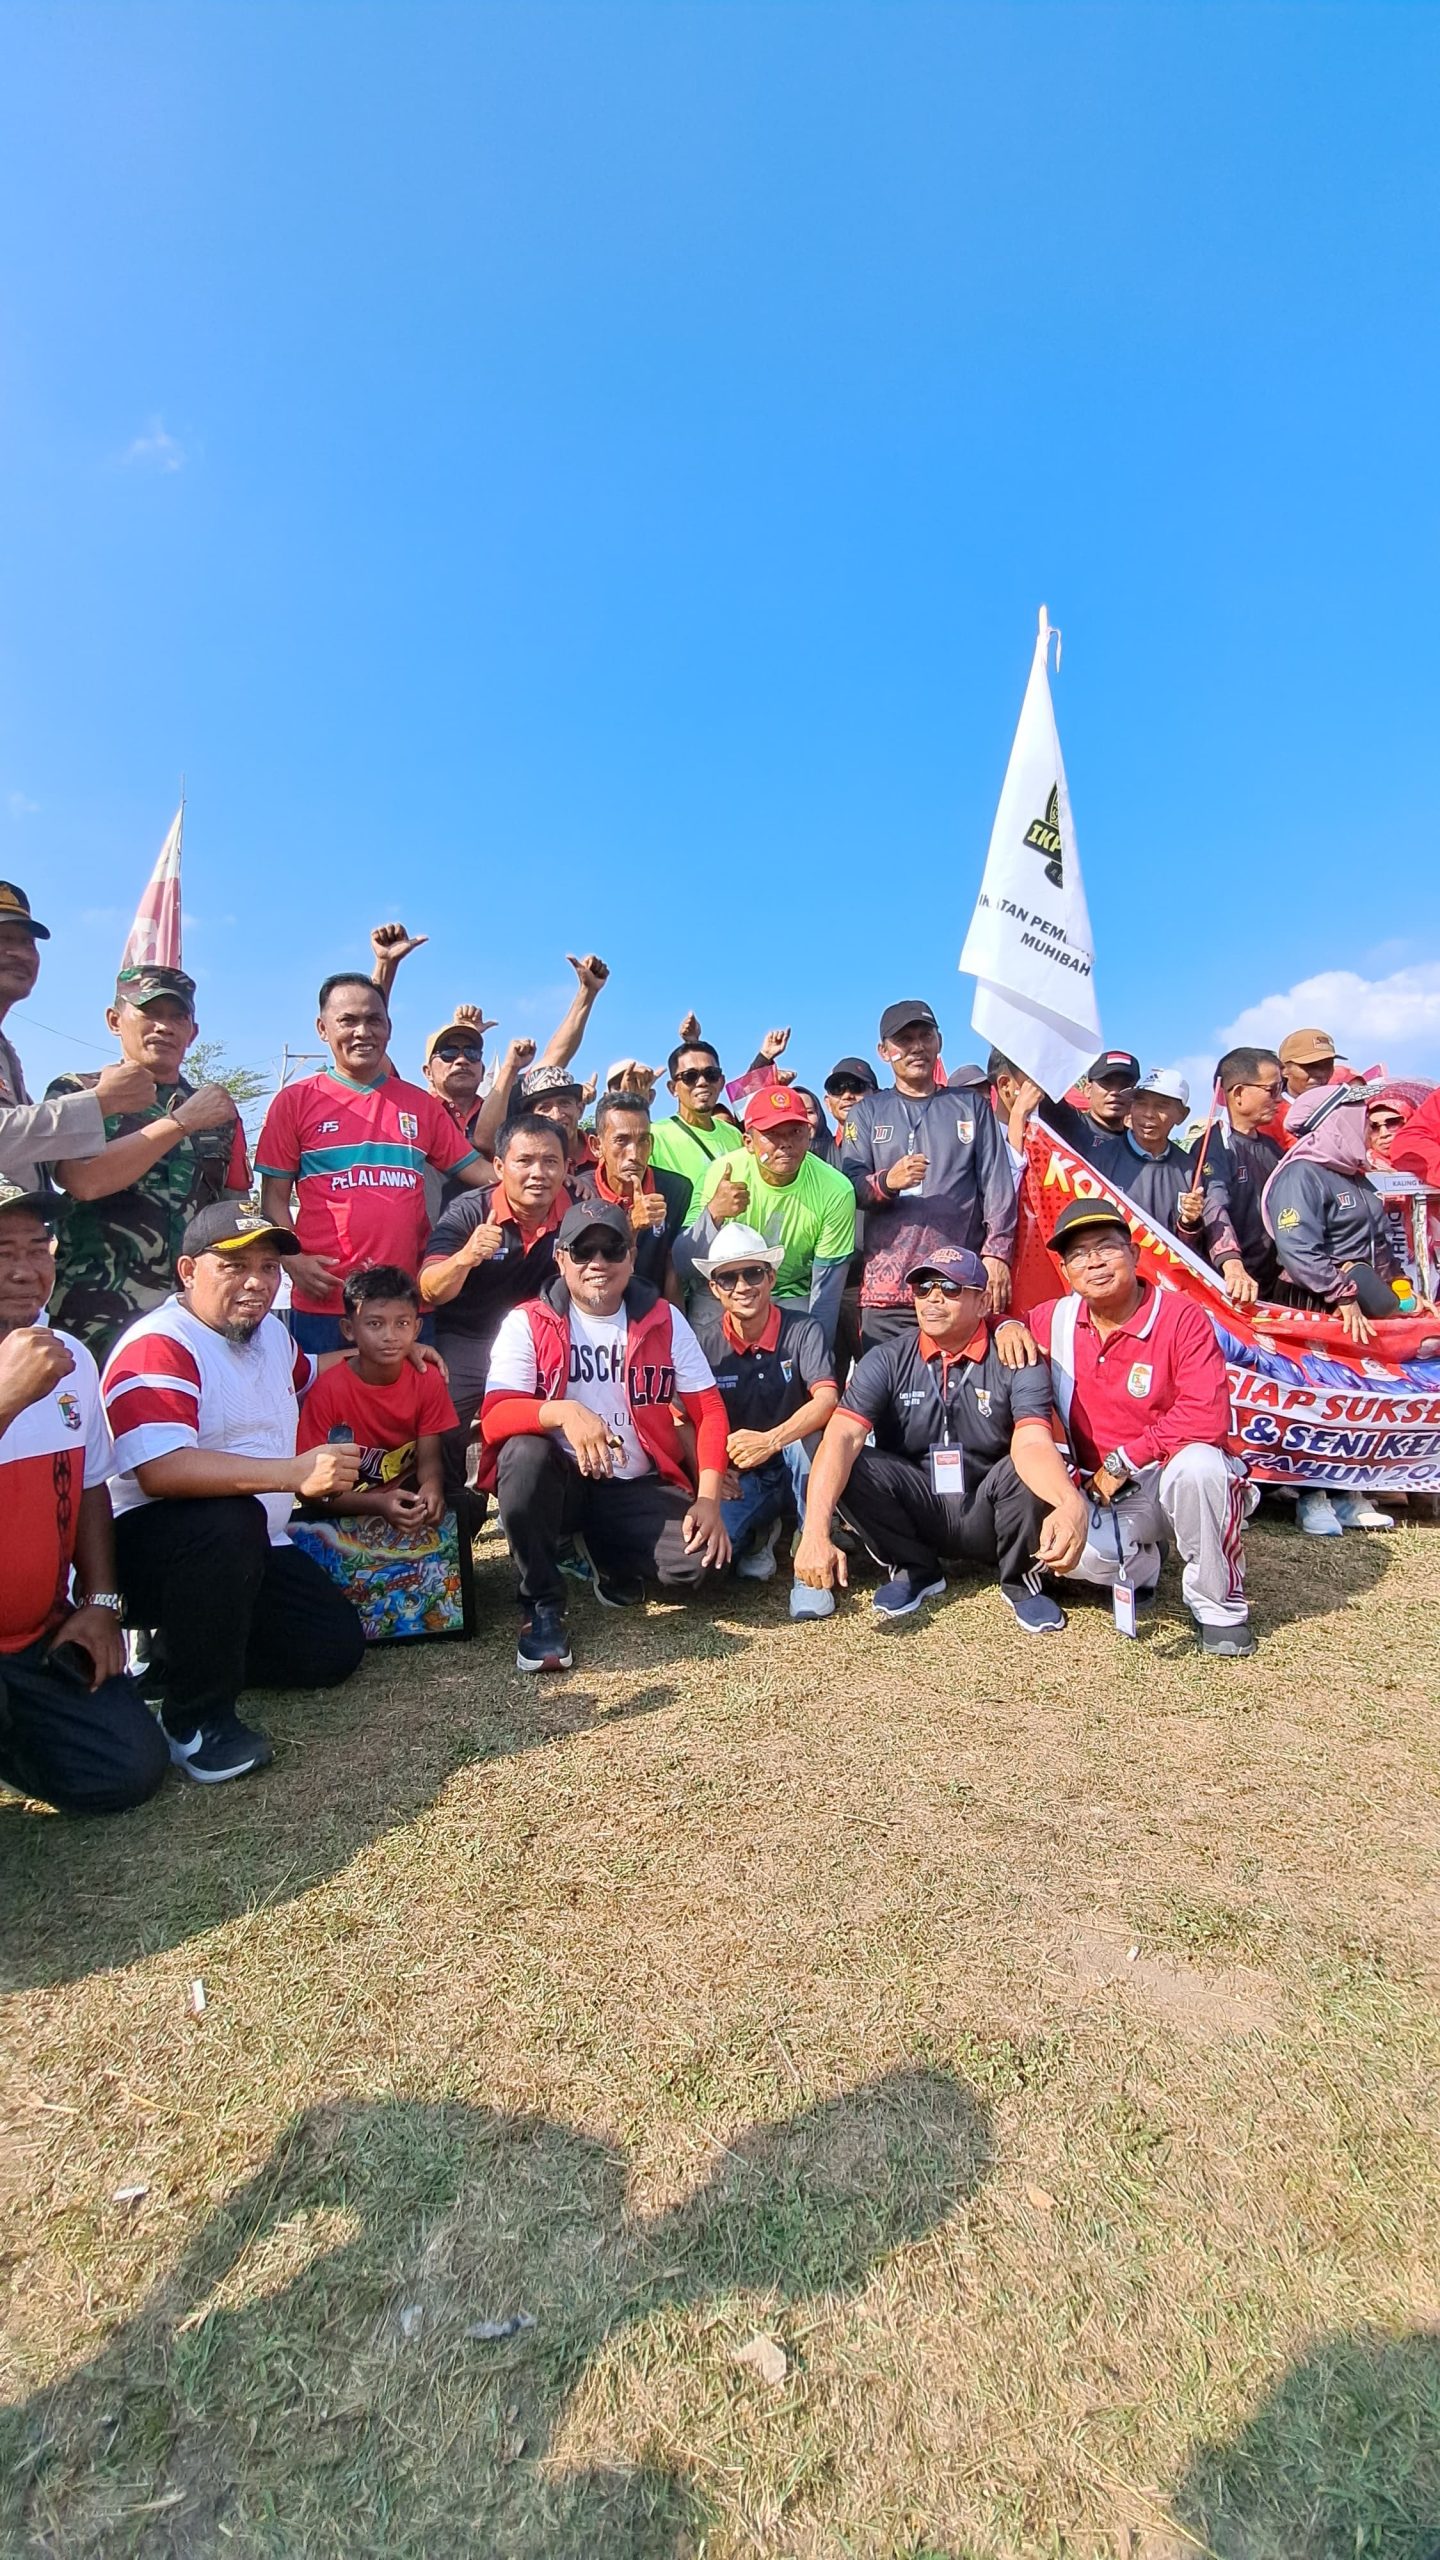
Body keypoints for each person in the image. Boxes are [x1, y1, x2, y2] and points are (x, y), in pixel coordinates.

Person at [102, 1203, 369, 1782]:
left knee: (333, 1649)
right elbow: (161, 1472)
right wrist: (293, 1474)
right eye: (235, 1265)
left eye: (270, 1266)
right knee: (227, 1519)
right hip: (154, 1550)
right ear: (187, 1271)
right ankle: (195, 1722)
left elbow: (313, 1372)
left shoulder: (267, 1331)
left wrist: (387, 1358)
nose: (258, 1281)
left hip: (252, 1541)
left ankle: (181, 1655)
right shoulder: (159, 1345)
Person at [479, 1200, 731, 1671]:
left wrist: (709, 1499)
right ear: (560, 1258)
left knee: (700, 1566)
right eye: (582, 1250)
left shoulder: (663, 1318)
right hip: (562, 1483)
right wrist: (565, 1412)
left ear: (631, 1257)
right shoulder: (527, 1321)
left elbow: (709, 1409)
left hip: (633, 1482)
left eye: (612, 1249)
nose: (598, 1263)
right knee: (523, 1454)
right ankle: (542, 1605)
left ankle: (600, 1549)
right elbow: (494, 1418)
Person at [792, 1246, 1088, 1633]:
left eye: (950, 1288)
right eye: (922, 1287)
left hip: (989, 1505)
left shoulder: (1016, 1355)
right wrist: (814, 1532)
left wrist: (1071, 1504)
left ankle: (1020, 1583)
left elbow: (1032, 1442)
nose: (933, 1298)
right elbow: (844, 1435)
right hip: (919, 1501)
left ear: (983, 1302)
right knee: (835, 1446)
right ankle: (915, 1570)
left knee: (1028, 1466)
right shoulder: (885, 1358)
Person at [1021, 1199, 1256, 1656]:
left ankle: (1219, 1607)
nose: (1094, 1262)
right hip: (1108, 1492)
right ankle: (1144, 1563)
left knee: (1202, 1467)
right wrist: (1009, 1326)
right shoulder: (1054, 1319)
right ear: (1066, 1270)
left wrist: (1124, 1459)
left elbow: (1206, 1415)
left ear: (1133, 1253)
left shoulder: (1180, 1316)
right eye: (1079, 1254)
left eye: (1106, 1248)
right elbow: (996, 1328)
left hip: (1168, 1473)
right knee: (1074, 1558)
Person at [0, 1177, 168, 1815]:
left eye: (37, 1249)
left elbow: (94, 1483)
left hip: (38, 1636)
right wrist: (8, 1396)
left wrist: (100, 1602)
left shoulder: (67, 1353)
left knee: (128, 1771)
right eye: (2, 1252)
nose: (25, 1271)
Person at [255, 973, 490, 1351]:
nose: (362, 1031)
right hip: (326, 1301)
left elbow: (480, 1173)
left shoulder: (421, 1105)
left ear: (389, 1028)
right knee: (324, 1409)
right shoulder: (294, 1101)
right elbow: (273, 1199)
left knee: (403, 1409)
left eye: (373, 1020)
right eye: (348, 1021)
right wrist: (292, 1261)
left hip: (406, 1303)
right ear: (322, 1028)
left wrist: (551, 1183)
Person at [43, 964, 249, 1357]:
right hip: (95, 1315)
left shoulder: (219, 1111)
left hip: (194, 1320)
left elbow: (232, 1214)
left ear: (193, 1031)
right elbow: (82, 1180)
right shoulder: (80, 1093)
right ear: (114, 1019)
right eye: (150, 1012)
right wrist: (182, 1122)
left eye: (177, 1016)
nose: (164, 1027)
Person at [1260, 1082, 1417, 1538]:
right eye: (1359, 1118)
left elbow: (1379, 1245)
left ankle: (1350, 1494)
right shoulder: (1301, 1176)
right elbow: (1296, 1247)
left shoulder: (1356, 1175)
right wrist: (1341, 1292)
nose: (1367, 1128)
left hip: (1360, 1302)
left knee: (1355, 1395)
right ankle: (1311, 1497)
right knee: (1314, 1397)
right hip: (1315, 1301)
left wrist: (1401, 1290)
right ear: (1334, 1120)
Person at [420, 1110, 572, 1520]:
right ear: (500, 1166)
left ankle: (546, 1516)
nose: (538, 1173)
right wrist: (466, 1257)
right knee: (443, 1422)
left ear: (566, 1167)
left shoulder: (576, 1211)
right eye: (525, 1161)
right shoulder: (468, 1211)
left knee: (552, 1422)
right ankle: (458, 1515)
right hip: (467, 1338)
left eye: (550, 1161)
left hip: (536, 1340)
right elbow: (429, 1287)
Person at [837, 999, 1017, 1345]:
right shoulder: (867, 1113)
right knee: (887, 1395)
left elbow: (997, 1186)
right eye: (904, 1040)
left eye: (925, 1036)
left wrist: (997, 1254)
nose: (917, 1047)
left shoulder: (971, 1106)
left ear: (939, 1041)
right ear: (883, 1051)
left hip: (956, 1285)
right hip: (888, 1293)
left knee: (957, 1391)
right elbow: (850, 1187)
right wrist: (888, 1182)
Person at [687, 1220, 839, 1608]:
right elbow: (679, 1418)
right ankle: (765, 1530)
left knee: (813, 1441)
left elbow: (826, 1401)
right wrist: (710, 1474)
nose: (742, 1286)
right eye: (728, 1278)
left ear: (771, 1277)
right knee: (704, 1562)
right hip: (739, 1474)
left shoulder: (803, 1329)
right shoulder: (701, 1341)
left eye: (753, 1272)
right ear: (713, 1288)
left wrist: (770, 1440)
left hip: (794, 1458)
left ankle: (811, 1557)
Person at [0, 881, 153, 1184]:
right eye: (3, 938)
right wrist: (101, 1101)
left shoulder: (7, 1052)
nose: (20, 953)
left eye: (28, 942)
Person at [684, 1083, 856, 1350]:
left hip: (791, 1291)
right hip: (726, 1290)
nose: (785, 1143)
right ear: (748, 1142)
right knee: (706, 1356)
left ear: (809, 1134)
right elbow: (683, 1261)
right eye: (772, 1134)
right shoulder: (721, 1173)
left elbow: (826, 1294)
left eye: (796, 1132)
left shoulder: (836, 1190)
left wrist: (814, 1360)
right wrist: (714, 1213)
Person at [295, 1265, 456, 1528]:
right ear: (348, 1329)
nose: (390, 1336)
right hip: (340, 1506)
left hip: (405, 1495)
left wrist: (432, 1487)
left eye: (402, 1323)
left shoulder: (427, 1379)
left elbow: (430, 1461)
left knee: (458, 1502)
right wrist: (378, 1505)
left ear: (416, 1329)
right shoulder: (328, 1390)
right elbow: (308, 1488)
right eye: (374, 1324)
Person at [568, 1091, 689, 1296]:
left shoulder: (677, 1190)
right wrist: (631, 1224)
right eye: (621, 1140)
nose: (634, 1154)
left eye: (643, 1141)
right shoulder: (576, 1194)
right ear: (597, 1146)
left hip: (652, 1311)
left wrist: (674, 1322)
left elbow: (672, 1267)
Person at [1193, 1048, 1287, 1298]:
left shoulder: (1273, 1148)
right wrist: (1232, 1263)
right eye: (1273, 1089)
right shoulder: (1213, 1146)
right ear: (1238, 1093)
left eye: (1282, 1087)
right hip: (1237, 1288)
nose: (1279, 1099)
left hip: (1277, 1284)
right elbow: (1213, 1204)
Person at [648, 1039, 739, 1212]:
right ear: (672, 1088)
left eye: (711, 1074)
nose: (702, 1082)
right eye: (690, 1076)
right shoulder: (654, 1136)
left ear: (721, 1082)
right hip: (680, 1237)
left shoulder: (735, 1136)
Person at [821, 1058, 879, 1158]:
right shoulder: (818, 1153)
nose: (847, 1095)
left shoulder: (896, 1145)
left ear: (877, 1095)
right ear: (828, 1103)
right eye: (837, 1088)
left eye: (857, 1087)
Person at [1278, 1026, 1351, 1100]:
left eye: (1327, 1065)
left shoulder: (1341, 1106)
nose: (1320, 1074)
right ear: (1284, 1069)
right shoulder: (1270, 1109)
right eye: (1310, 1066)